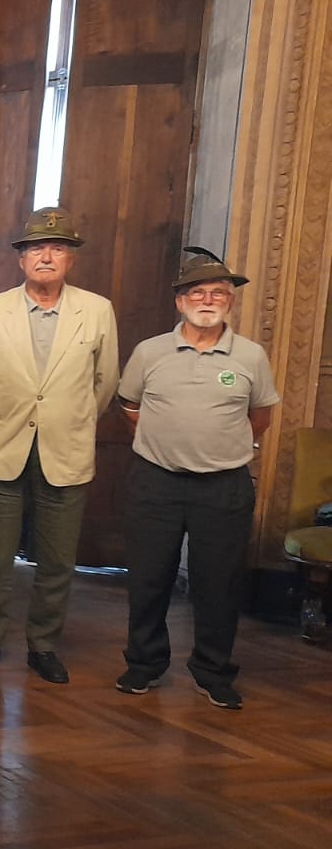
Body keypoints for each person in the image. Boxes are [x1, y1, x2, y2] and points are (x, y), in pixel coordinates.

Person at [0, 207, 119, 684]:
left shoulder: (96, 310)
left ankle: (44, 645)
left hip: (65, 451)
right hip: (4, 446)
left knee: (57, 560)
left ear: (70, 259)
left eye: (57, 248)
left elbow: (104, 381)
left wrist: (70, 418)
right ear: (21, 259)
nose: (46, 256)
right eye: (36, 249)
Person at [116, 247, 277, 709]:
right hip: (155, 483)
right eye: (197, 292)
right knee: (148, 580)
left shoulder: (251, 355)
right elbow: (130, 406)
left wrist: (218, 443)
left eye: (218, 292)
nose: (208, 299)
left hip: (223, 486)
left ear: (229, 300)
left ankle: (213, 672)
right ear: (180, 301)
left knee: (219, 583)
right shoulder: (150, 352)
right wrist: (165, 440)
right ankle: (143, 665)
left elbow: (260, 415)